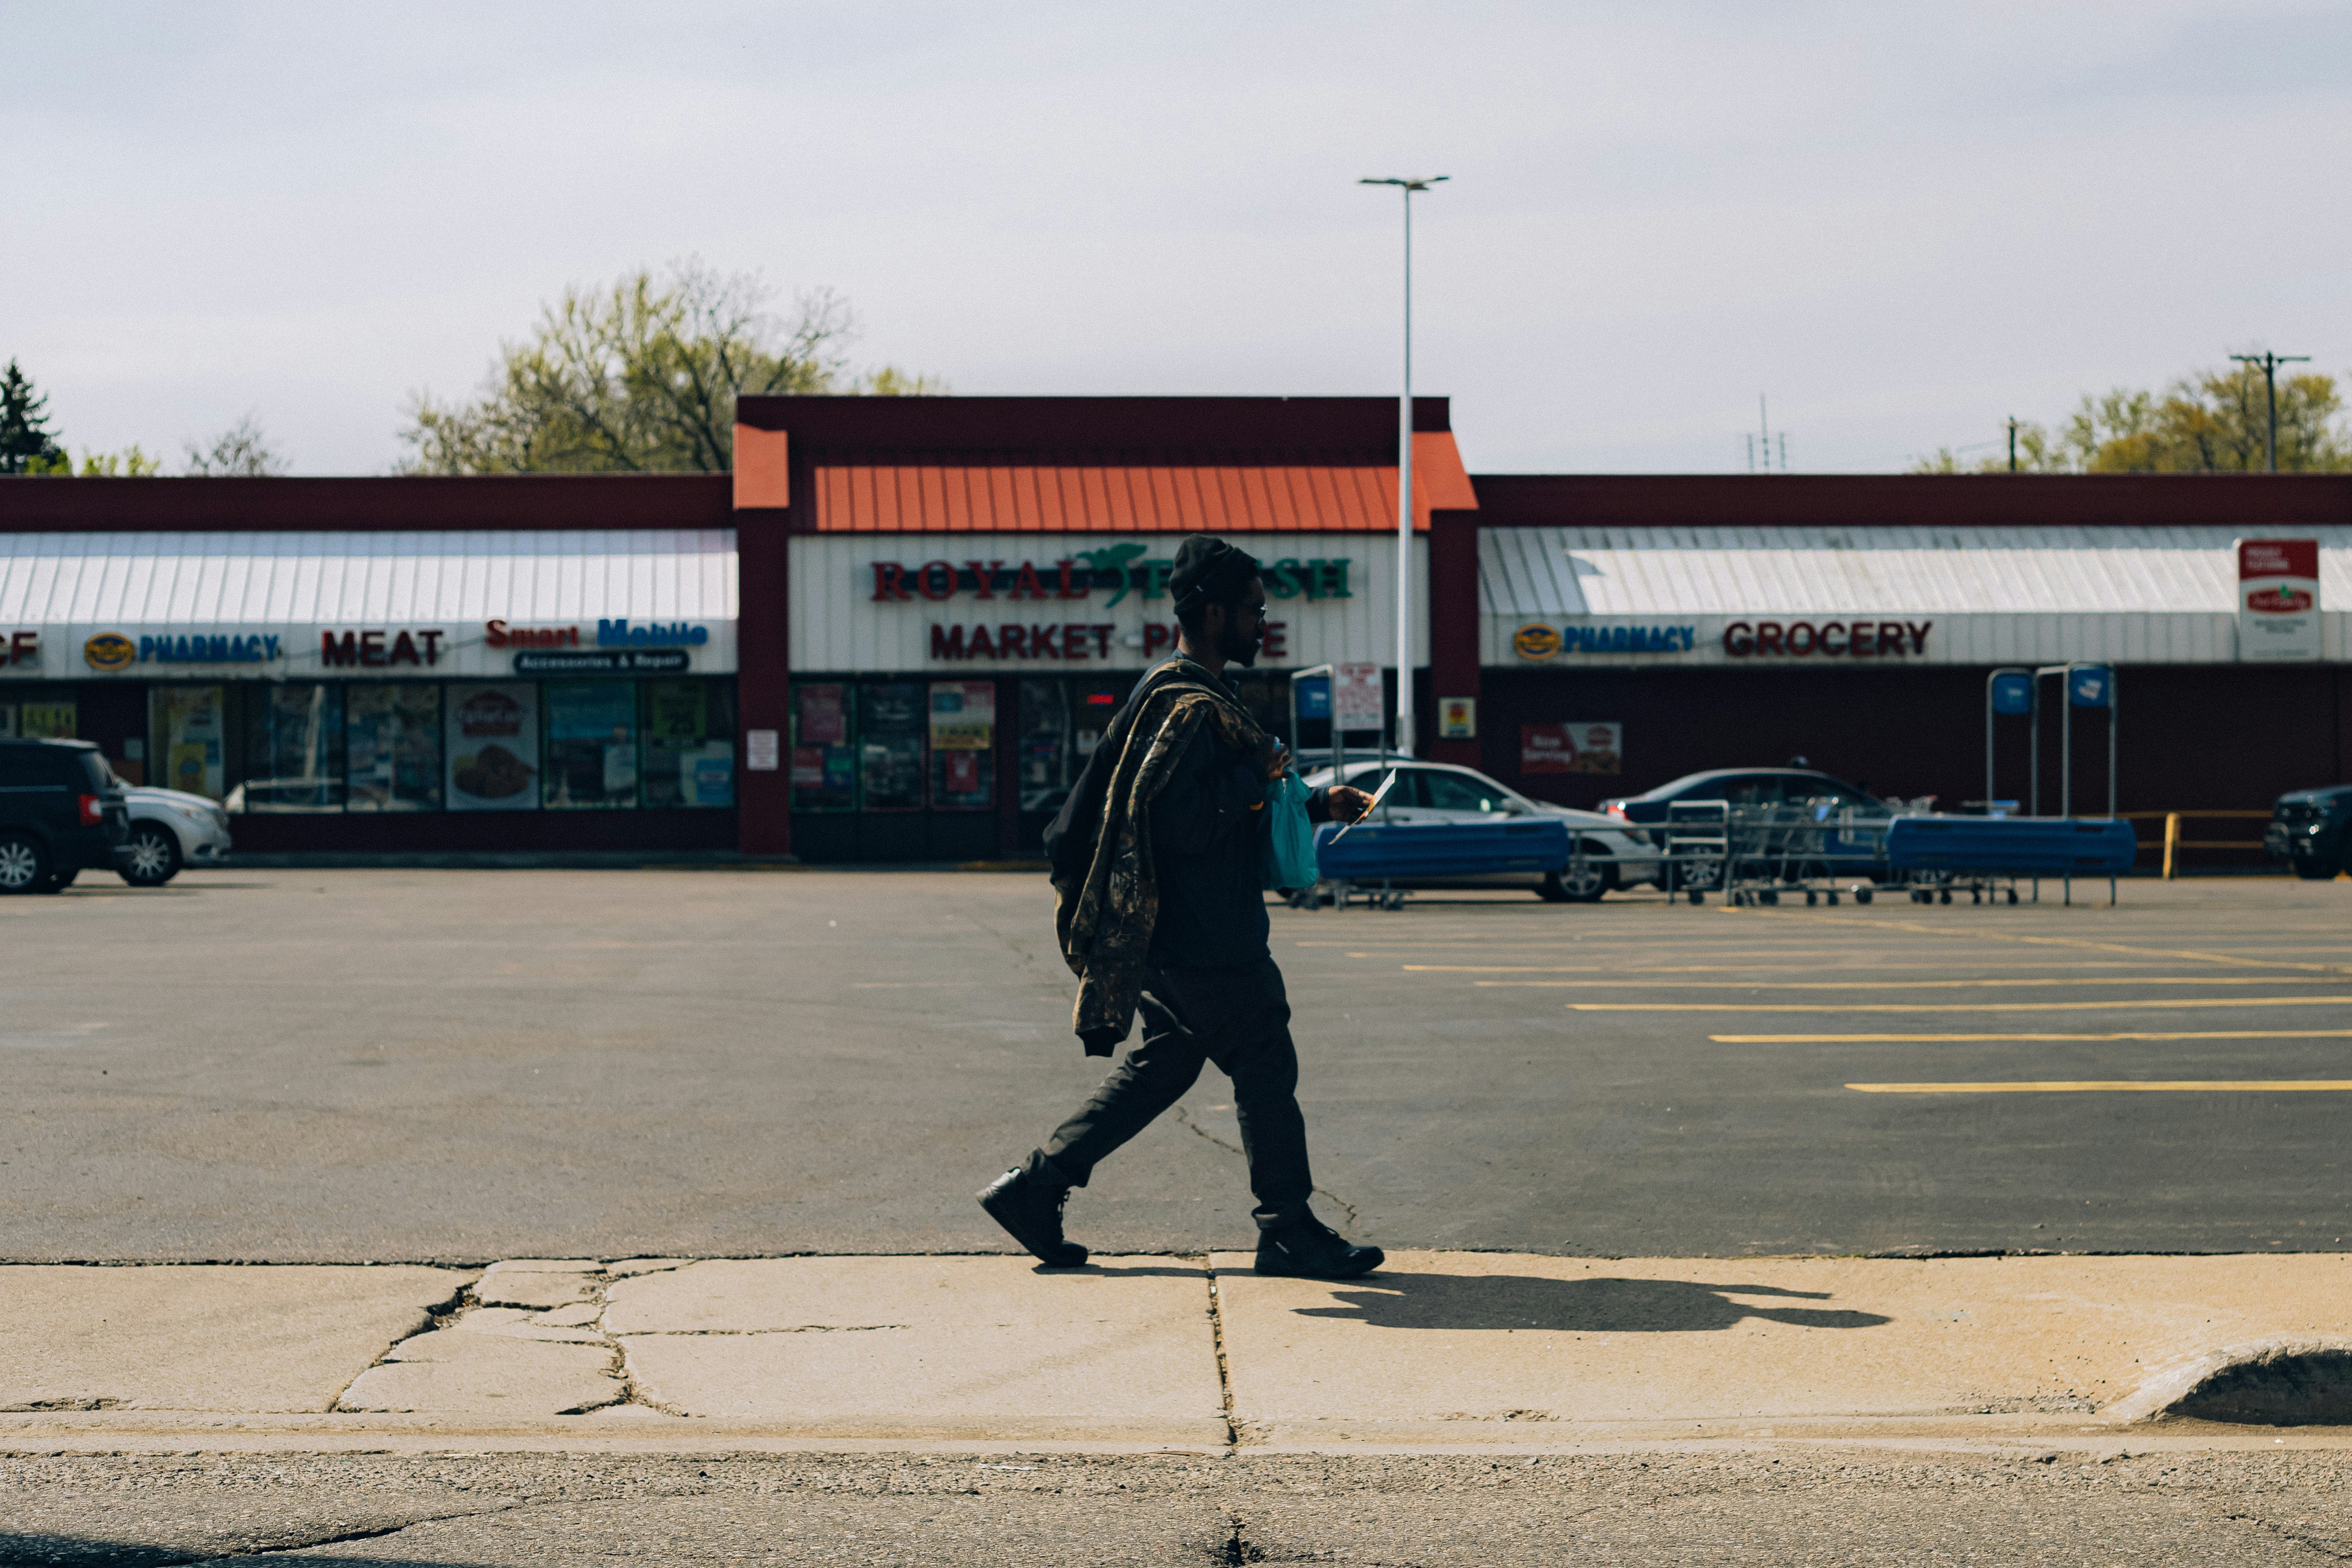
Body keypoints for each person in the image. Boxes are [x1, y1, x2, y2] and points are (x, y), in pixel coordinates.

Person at [977, 535, 1386, 1280]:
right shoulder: (1187, 706)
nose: (1263, 623)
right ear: (1213, 611)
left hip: (1174, 932)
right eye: (1253, 611)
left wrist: (1315, 803)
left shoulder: (1172, 694)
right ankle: (1288, 1227)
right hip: (1202, 934)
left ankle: (1034, 1188)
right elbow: (1177, 822)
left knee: (1167, 1063)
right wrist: (1256, 782)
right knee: (1262, 1050)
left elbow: (1201, 806)